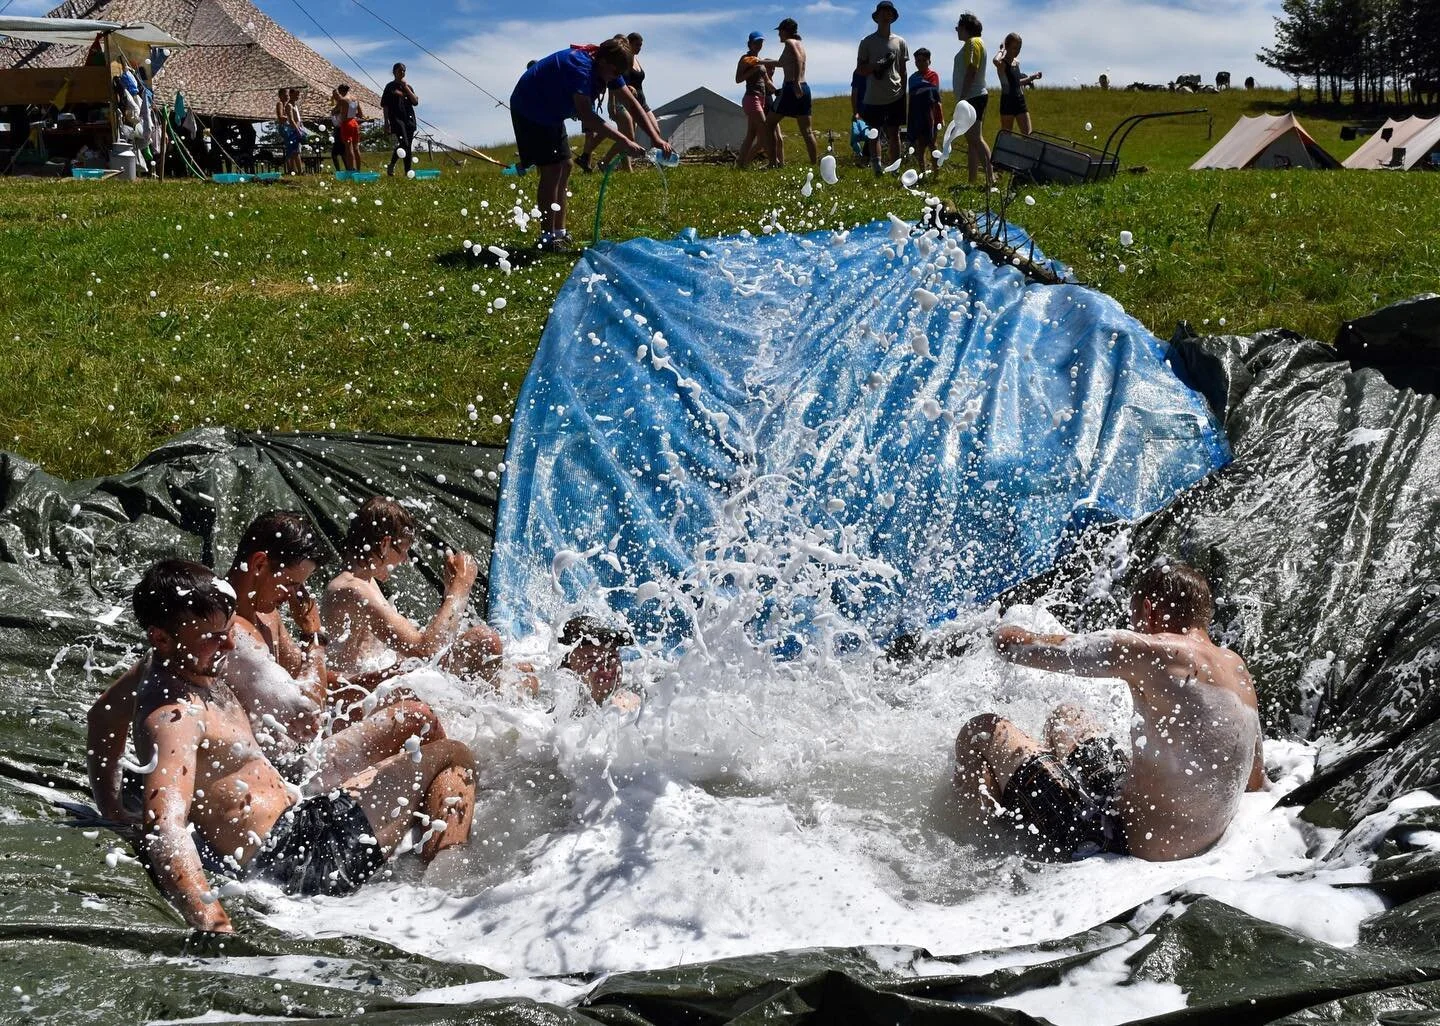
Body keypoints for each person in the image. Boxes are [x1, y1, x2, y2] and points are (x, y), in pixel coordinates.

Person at [110, 560, 475, 932]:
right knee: (456, 756)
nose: (230, 643)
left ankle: (425, 844)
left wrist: (112, 806)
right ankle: (447, 890)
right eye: (213, 636)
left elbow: (101, 716)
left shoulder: (174, 666)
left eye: (227, 630)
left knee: (414, 724)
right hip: (303, 859)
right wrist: (215, 924)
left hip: (298, 824)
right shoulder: (176, 717)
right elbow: (165, 829)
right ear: (160, 637)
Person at [953, 562, 1265, 863]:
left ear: (1149, 610)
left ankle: (979, 849)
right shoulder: (1237, 668)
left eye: (1136, 619)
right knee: (1067, 717)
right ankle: (1035, 794)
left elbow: (1016, 648)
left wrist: (1002, 629)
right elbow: (1253, 779)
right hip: (1191, 839)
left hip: (1118, 841)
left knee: (980, 731)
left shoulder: (1152, 651)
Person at [322, 496, 515, 688]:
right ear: (385, 544)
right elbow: (426, 651)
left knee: (519, 674)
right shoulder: (352, 589)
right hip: (354, 698)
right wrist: (461, 586)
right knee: (485, 640)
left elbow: (419, 648)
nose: (405, 559)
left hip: (370, 688)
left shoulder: (365, 582)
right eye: (404, 550)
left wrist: (449, 590)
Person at [508, 36, 671, 253]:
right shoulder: (580, 68)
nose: (615, 79)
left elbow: (631, 103)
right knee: (552, 169)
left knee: (565, 165)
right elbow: (587, 116)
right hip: (530, 108)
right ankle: (547, 238)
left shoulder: (606, 66)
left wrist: (655, 138)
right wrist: (625, 141)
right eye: (614, 73)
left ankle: (560, 233)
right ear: (604, 63)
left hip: (551, 111)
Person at [856, 0, 909, 175]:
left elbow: (903, 69)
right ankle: (877, 168)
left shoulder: (901, 41)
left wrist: (903, 90)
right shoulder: (867, 42)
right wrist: (876, 66)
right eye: (883, 11)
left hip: (895, 94)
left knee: (894, 133)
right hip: (873, 95)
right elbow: (861, 70)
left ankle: (895, 169)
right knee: (874, 132)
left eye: (890, 12)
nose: (887, 14)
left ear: (893, 17)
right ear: (877, 16)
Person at [554, 615, 642, 714]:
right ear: (566, 666)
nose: (607, 667)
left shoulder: (634, 708)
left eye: (612, 656)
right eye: (593, 659)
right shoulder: (550, 706)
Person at [761, 18, 817, 166]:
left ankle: (773, 163)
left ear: (785, 31)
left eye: (780, 30)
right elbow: (781, 63)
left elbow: (798, 60)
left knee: (768, 125)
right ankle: (814, 165)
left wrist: (796, 81)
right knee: (807, 131)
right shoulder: (799, 44)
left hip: (791, 87)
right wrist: (760, 62)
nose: (779, 33)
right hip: (805, 88)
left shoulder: (789, 42)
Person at [953, 12, 994, 187]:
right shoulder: (974, 43)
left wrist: (963, 96)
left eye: (958, 27)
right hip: (973, 96)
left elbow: (972, 68)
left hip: (973, 96)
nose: (956, 31)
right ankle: (972, 181)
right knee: (971, 140)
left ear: (965, 28)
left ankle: (991, 179)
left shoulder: (972, 43)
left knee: (976, 138)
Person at [736, 31, 776, 169]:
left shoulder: (761, 61)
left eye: (761, 42)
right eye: (756, 42)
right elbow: (738, 79)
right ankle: (772, 163)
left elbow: (767, 82)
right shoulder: (745, 59)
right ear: (749, 44)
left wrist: (777, 91)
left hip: (761, 98)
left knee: (751, 135)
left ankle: (740, 164)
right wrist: (754, 70)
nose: (759, 45)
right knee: (765, 131)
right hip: (751, 98)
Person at [994, 32, 1041, 136]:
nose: (1017, 51)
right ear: (1007, 47)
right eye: (1014, 48)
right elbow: (995, 61)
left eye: (1019, 48)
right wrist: (1001, 50)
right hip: (1007, 101)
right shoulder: (1002, 64)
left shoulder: (1016, 63)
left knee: (1029, 136)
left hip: (1020, 100)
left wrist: (1031, 78)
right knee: (1006, 137)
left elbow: (1017, 83)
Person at [907, 47, 944, 171]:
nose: (921, 63)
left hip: (931, 114)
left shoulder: (933, 75)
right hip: (917, 115)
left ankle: (936, 172)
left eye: (924, 60)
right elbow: (912, 97)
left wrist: (940, 117)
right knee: (920, 145)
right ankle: (922, 171)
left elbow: (935, 96)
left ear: (929, 61)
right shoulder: (912, 79)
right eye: (918, 61)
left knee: (932, 144)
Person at [382, 62, 419, 177]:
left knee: (407, 146)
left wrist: (406, 87)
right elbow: (385, 105)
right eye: (399, 70)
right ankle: (393, 165)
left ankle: (407, 172)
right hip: (396, 119)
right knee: (404, 143)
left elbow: (415, 102)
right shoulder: (390, 87)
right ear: (394, 72)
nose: (402, 72)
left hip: (409, 119)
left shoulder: (408, 86)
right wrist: (386, 122)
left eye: (403, 70)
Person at [332, 83, 363, 171]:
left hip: (346, 124)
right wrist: (352, 114)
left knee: (348, 149)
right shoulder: (355, 99)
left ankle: (351, 169)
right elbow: (360, 114)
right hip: (354, 123)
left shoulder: (343, 100)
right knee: (356, 148)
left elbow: (334, 111)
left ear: (341, 91)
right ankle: (358, 169)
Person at [286, 87, 307, 174]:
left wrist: (301, 127)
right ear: (290, 94)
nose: (297, 97)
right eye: (295, 95)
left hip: (298, 128)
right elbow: (291, 119)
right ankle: (299, 171)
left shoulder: (295, 105)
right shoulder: (289, 105)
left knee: (296, 150)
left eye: (298, 95)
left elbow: (298, 118)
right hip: (293, 130)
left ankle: (295, 170)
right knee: (295, 151)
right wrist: (297, 129)